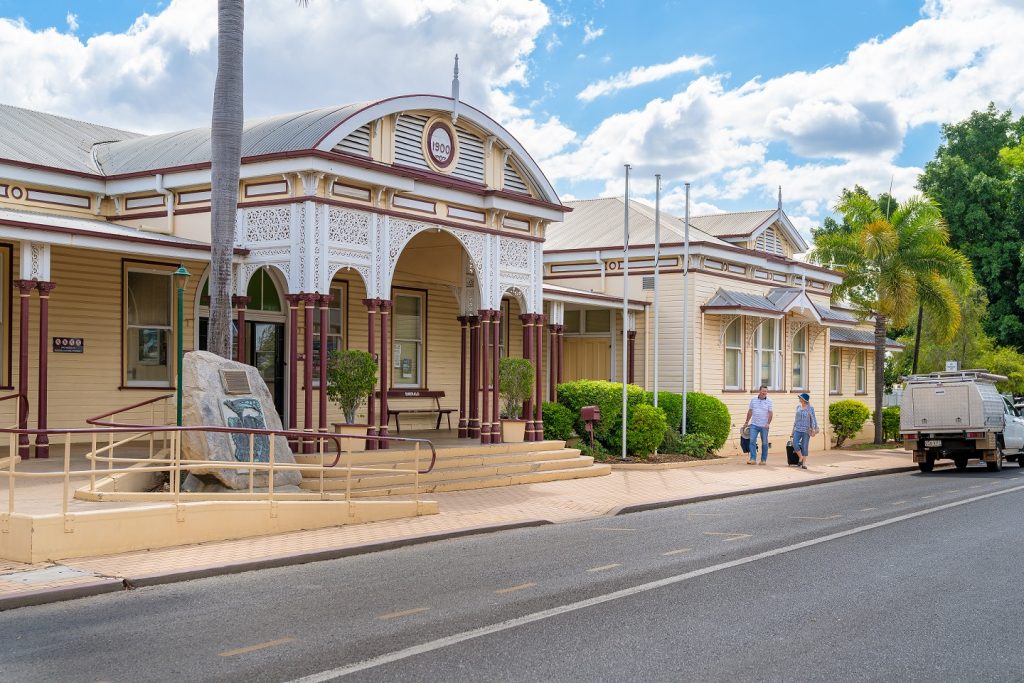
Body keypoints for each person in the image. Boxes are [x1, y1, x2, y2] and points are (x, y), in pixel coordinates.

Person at [743, 385, 773, 465]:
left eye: (766, 391)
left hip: (764, 426)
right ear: (759, 391)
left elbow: (770, 413)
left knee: (764, 443)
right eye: (763, 391)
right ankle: (753, 459)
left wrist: (768, 423)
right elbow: (750, 411)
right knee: (752, 441)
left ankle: (763, 460)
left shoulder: (769, 401)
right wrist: (746, 422)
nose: (764, 393)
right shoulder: (753, 400)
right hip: (754, 425)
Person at [791, 392, 819, 470]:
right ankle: (801, 457)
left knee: (804, 446)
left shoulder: (810, 408)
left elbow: (813, 419)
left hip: (806, 430)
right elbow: (796, 420)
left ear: (804, 399)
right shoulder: (798, 407)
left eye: (800, 398)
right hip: (798, 429)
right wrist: (793, 430)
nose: (799, 399)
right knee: (794, 443)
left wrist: (813, 429)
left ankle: (803, 464)